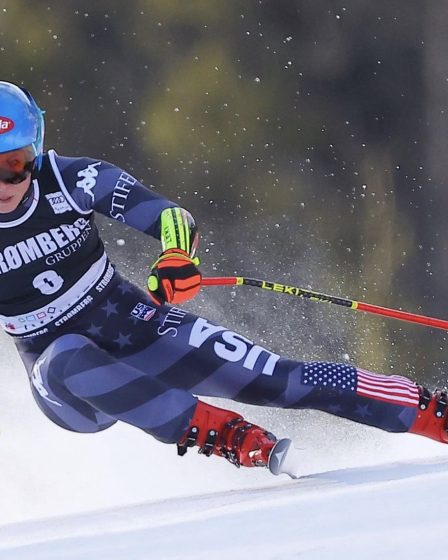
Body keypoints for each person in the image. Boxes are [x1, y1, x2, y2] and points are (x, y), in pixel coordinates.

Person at [0, 81, 446, 479]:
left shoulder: (71, 178)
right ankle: (226, 435)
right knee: (66, 356)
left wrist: (176, 256)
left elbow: (171, 216)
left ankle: (432, 414)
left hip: (135, 326)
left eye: (12, 165)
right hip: (65, 387)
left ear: (34, 154)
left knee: (278, 379)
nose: (2, 184)